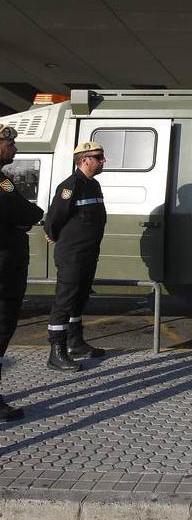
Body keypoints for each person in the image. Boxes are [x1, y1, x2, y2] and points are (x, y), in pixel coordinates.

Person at [43, 141, 108, 372]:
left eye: (102, 157)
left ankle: (76, 343)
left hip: (89, 253)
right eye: (98, 157)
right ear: (84, 160)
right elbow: (53, 218)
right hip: (72, 255)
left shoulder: (94, 184)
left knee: (79, 299)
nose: (103, 161)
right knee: (65, 300)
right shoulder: (70, 186)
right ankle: (56, 353)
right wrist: (52, 235)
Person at [0, 126, 44, 419]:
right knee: (2, 325)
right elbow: (27, 213)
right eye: (8, 143)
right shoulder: (2, 182)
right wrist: (26, 219)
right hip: (4, 268)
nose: (14, 149)